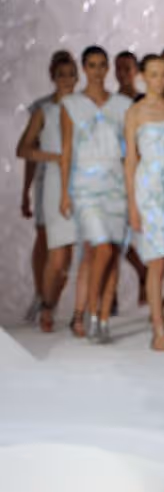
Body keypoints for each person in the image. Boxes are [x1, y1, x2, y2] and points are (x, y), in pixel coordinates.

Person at [60, 45, 134, 343]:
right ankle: (90, 314)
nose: (97, 70)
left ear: (108, 68)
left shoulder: (122, 105)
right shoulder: (71, 105)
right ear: (84, 68)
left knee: (111, 253)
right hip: (85, 185)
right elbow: (67, 151)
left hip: (115, 185)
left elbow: (130, 152)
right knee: (100, 248)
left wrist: (132, 189)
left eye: (102, 64)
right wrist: (65, 192)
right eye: (92, 65)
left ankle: (101, 319)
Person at [123, 54, 164, 350]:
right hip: (147, 189)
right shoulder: (135, 112)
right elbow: (130, 161)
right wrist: (132, 206)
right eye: (154, 74)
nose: (160, 80)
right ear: (142, 77)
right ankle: (158, 328)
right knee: (157, 261)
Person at [16, 52, 79, 333]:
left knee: (67, 252)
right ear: (53, 76)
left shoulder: (85, 107)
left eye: (70, 73)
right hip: (50, 183)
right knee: (49, 242)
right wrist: (26, 190)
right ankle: (43, 298)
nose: (66, 79)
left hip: (80, 184)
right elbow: (26, 151)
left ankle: (51, 300)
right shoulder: (43, 109)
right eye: (61, 74)